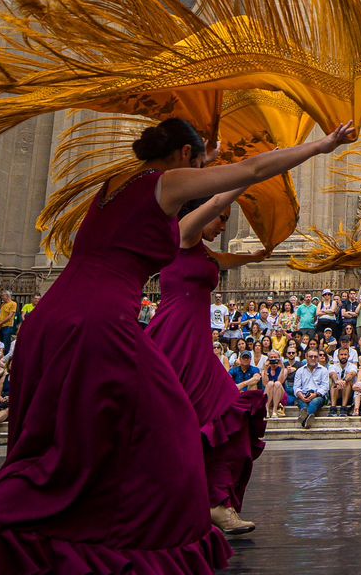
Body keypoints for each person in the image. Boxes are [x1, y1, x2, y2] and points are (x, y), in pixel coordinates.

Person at [0, 116, 356, 575]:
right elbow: (249, 169)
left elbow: (230, 182)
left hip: (54, 319)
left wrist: (225, 162)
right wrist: (323, 145)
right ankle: (155, 559)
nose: (206, 169)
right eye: (202, 161)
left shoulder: (114, 186)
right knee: (174, 435)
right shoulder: (164, 184)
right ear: (184, 156)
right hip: (98, 324)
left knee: (66, 453)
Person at [147, 137, 345, 538]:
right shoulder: (182, 233)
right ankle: (198, 502)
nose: (225, 223)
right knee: (205, 416)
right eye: (222, 217)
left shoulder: (199, 250)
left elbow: (235, 252)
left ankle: (213, 502)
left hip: (195, 341)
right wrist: (247, 176)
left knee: (223, 418)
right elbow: (217, 203)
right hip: (174, 339)